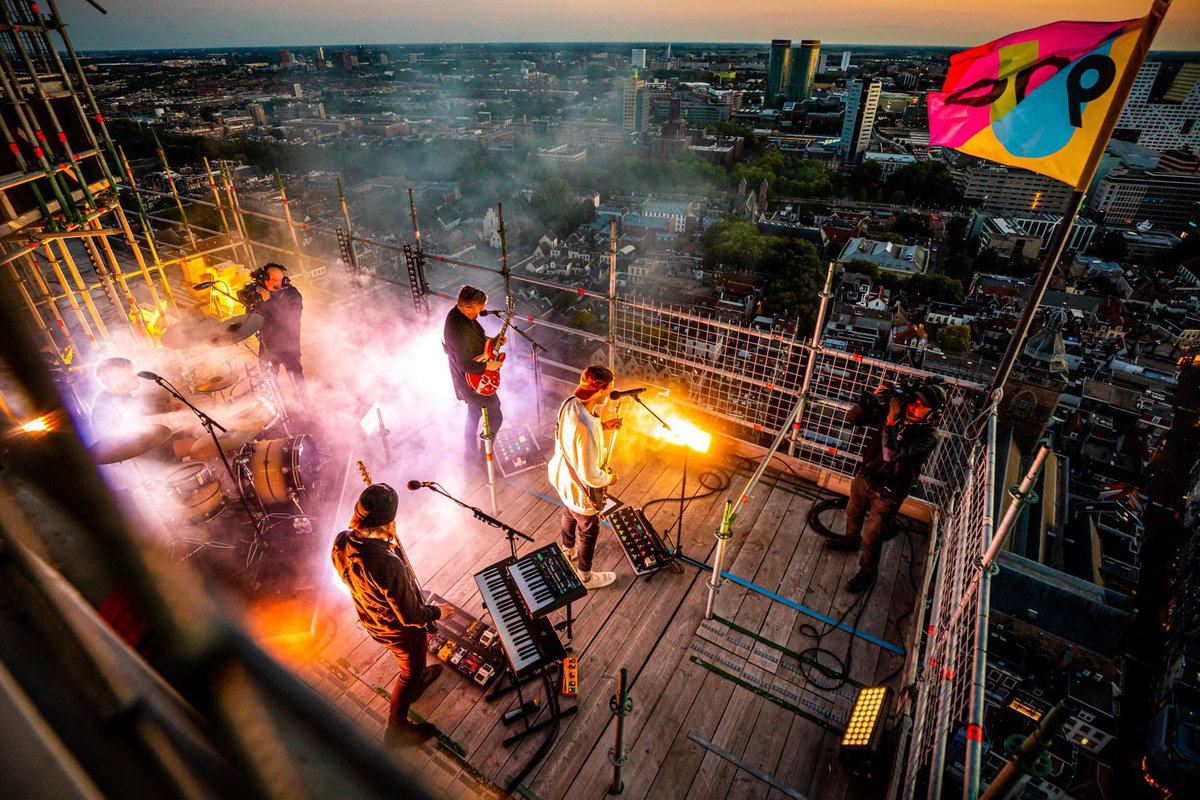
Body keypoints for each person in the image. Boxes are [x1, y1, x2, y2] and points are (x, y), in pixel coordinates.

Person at [331, 484, 455, 747]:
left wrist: (384, 543)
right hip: (399, 631)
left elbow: (353, 577)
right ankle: (397, 731)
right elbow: (411, 616)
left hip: (371, 619)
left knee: (413, 668)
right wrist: (438, 612)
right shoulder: (387, 564)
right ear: (386, 522)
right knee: (409, 672)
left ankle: (417, 684)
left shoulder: (342, 540)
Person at [826, 380, 946, 593]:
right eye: (913, 402)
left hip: (889, 492)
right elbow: (852, 418)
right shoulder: (896, 413)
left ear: (933, 413)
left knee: (873, 535)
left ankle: (867, 572)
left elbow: (891, 454)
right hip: (866, 476)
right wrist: (870, 403)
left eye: (921, 406)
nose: (913, 407)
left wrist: (890, 423)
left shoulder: (929, 435)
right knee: (852, 512)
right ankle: (850, 540)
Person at [548, 365, 623, 590]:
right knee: (589, 529)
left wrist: (604, 426)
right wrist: (609, 479)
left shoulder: (570, 402)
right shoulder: (586, 426)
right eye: (610, 388)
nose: (611, 392)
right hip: (580, 490)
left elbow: (575, 432)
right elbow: (590, 475)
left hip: (562, 476)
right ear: (601, 391)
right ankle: (585, 576)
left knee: (568, 513)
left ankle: (568, 549)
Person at [443, 285, 504, 455]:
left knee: (474, 411)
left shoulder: (459, 314)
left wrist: (493, 341)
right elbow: (465, 365)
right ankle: (485, 456)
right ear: (468, 307)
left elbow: (475, 340)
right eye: (479, 308)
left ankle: (469, 450)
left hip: (466, 382)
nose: (482, 310)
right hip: (472, 381)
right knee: (495, 417)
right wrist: (489, 366)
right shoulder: (459, 330)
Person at [237, 263, 305, 399]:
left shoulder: (292, 294)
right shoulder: (258, 293)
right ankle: (277, 403)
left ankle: (303, 401)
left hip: (288, 342)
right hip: (267, 343)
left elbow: (289, 318)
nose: (277, 283)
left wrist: (269, 301)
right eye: (273, 280)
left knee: (295, 374)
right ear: (264, 279)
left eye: (280, 280)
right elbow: (251, 317)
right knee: (267, 377)